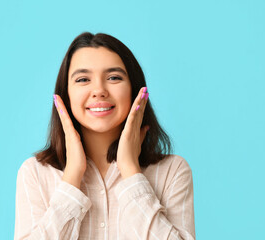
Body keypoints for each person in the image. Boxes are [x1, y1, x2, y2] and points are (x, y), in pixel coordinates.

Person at [14, 32, 195, 240]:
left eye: (114, 78)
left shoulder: (172, 172)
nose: (99, 90)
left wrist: (131, 172)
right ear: (66, 94)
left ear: (135, 90)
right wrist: (72, 175)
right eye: (83, 79)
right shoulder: (35, 174)